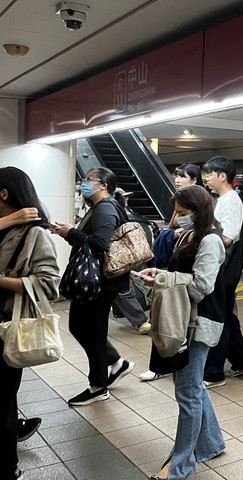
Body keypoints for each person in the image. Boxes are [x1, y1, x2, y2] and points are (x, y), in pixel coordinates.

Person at [139, 185, 226, 480]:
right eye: (176, 211)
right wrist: (160, 275)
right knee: (192, 387)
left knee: (187, 392)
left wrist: (165, 278)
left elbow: (202, 287)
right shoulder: (190, 236)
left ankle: (181, 465)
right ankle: (212, 443)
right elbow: (181, 276)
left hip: (198, 323)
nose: (176, 217)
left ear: (198, 212)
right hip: (183, 321)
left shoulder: (211, 240)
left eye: (182, 212)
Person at [51, 167, 137, 406]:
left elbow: (99, 244)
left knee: (92, 330)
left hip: (101, 282)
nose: (84, 183)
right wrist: (67, 233)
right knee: (82, 327)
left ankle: (98, 386)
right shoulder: (100, 208)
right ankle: (116, 363)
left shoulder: (106, 208)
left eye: (89, 180)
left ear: (103, 186)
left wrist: (73, 232)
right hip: (98, 280)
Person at [0, 168, 60, 480]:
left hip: (6, 330)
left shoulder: (34, 234)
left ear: (4, 193)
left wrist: (3, 281)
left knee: (4, 403)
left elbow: (49, 283)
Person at [202, 156, 243, 388]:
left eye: (209, 174)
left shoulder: (231, 200)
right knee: (226, 316)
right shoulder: (223, 199)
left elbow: (228, 237)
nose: (207, 178)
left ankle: (214, 373)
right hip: (223, 268)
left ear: (222, 176)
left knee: (218, 317)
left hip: (224, 269)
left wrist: (203, 239)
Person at [111, 188, 152, 335]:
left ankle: (141, 321)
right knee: (122, 290)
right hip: (120, 260)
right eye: (124, 197)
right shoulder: (116, 213)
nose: (127, 200)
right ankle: (141, 321)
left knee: (121, 290)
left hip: (119, 260)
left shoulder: (115, 212)